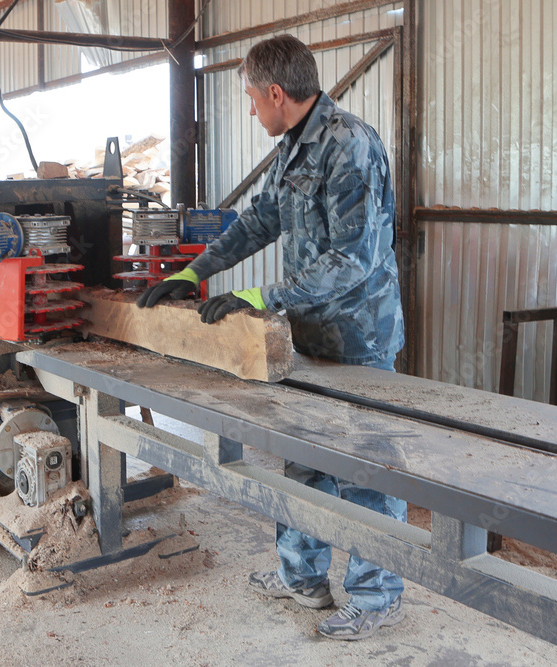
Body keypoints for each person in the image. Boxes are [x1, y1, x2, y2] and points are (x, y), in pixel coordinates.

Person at [137, 34, 406, 641]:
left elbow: (354, 260)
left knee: (365, 468)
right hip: (306, 335)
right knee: (304, 459)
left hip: (358, 337)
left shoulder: (350, 145)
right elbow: (260, 220)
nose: (252, 110)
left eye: (252, 99)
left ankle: (377, 593)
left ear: (277, 93)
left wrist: (263, 298)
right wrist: (192, 272)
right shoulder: (293, 147)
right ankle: (303, 578)